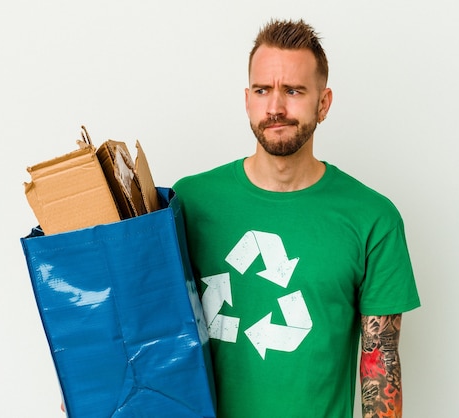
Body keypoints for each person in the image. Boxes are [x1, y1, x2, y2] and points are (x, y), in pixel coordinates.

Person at [173, 19, 420, 418]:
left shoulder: (373, 218)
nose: (275, 107)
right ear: (247, 98)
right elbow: (142, 311)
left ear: (323, 103)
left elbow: (380, 361)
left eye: (293, 91)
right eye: (262, 90)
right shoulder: (188, 201)